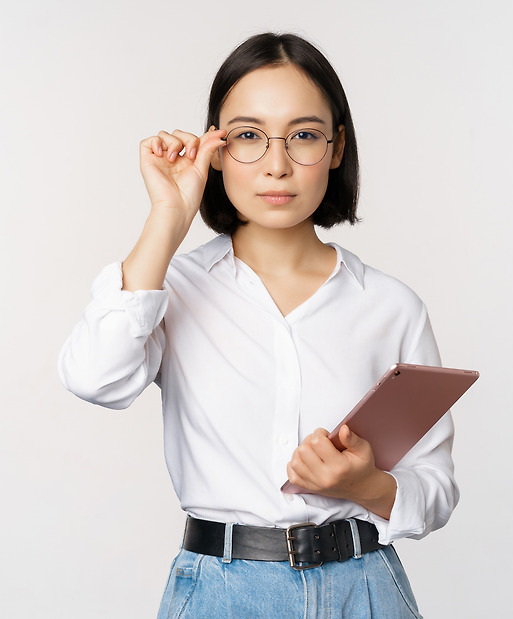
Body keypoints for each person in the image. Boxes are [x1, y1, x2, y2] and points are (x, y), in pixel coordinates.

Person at [57, 32, 458, 618]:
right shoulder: (172, 288)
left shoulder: (391, 306)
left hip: (365, 589)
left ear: (337, 146)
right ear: (215, 149)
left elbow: (436, 485)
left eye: (303, 135)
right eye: (248, 136)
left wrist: (364, 486)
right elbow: (94, 378)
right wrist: (168, 219)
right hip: (221, 594)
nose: (276, 164)